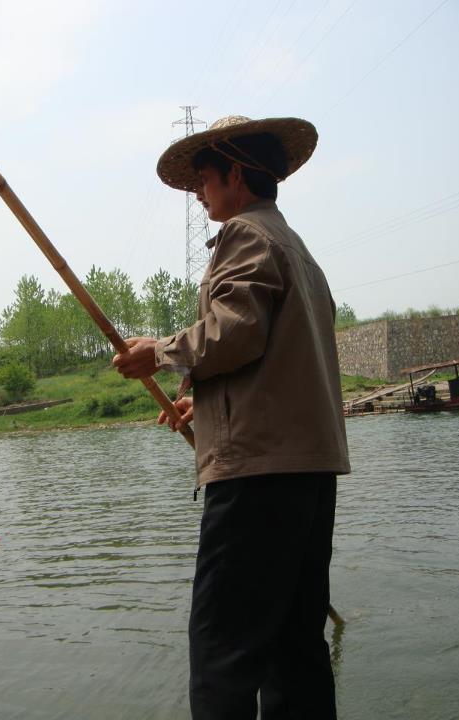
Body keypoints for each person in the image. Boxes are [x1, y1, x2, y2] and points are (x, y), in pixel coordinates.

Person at [113, 115, 350, 719]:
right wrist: (208, 404)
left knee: (222, 653)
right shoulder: (297, 249)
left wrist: (158, 352)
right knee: (295, 650)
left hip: (257, 478)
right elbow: (279, 357)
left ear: (236, 175)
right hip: (307, 476)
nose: (198, 191)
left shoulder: (245, 234)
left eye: (205, 177)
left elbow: (234, 330)